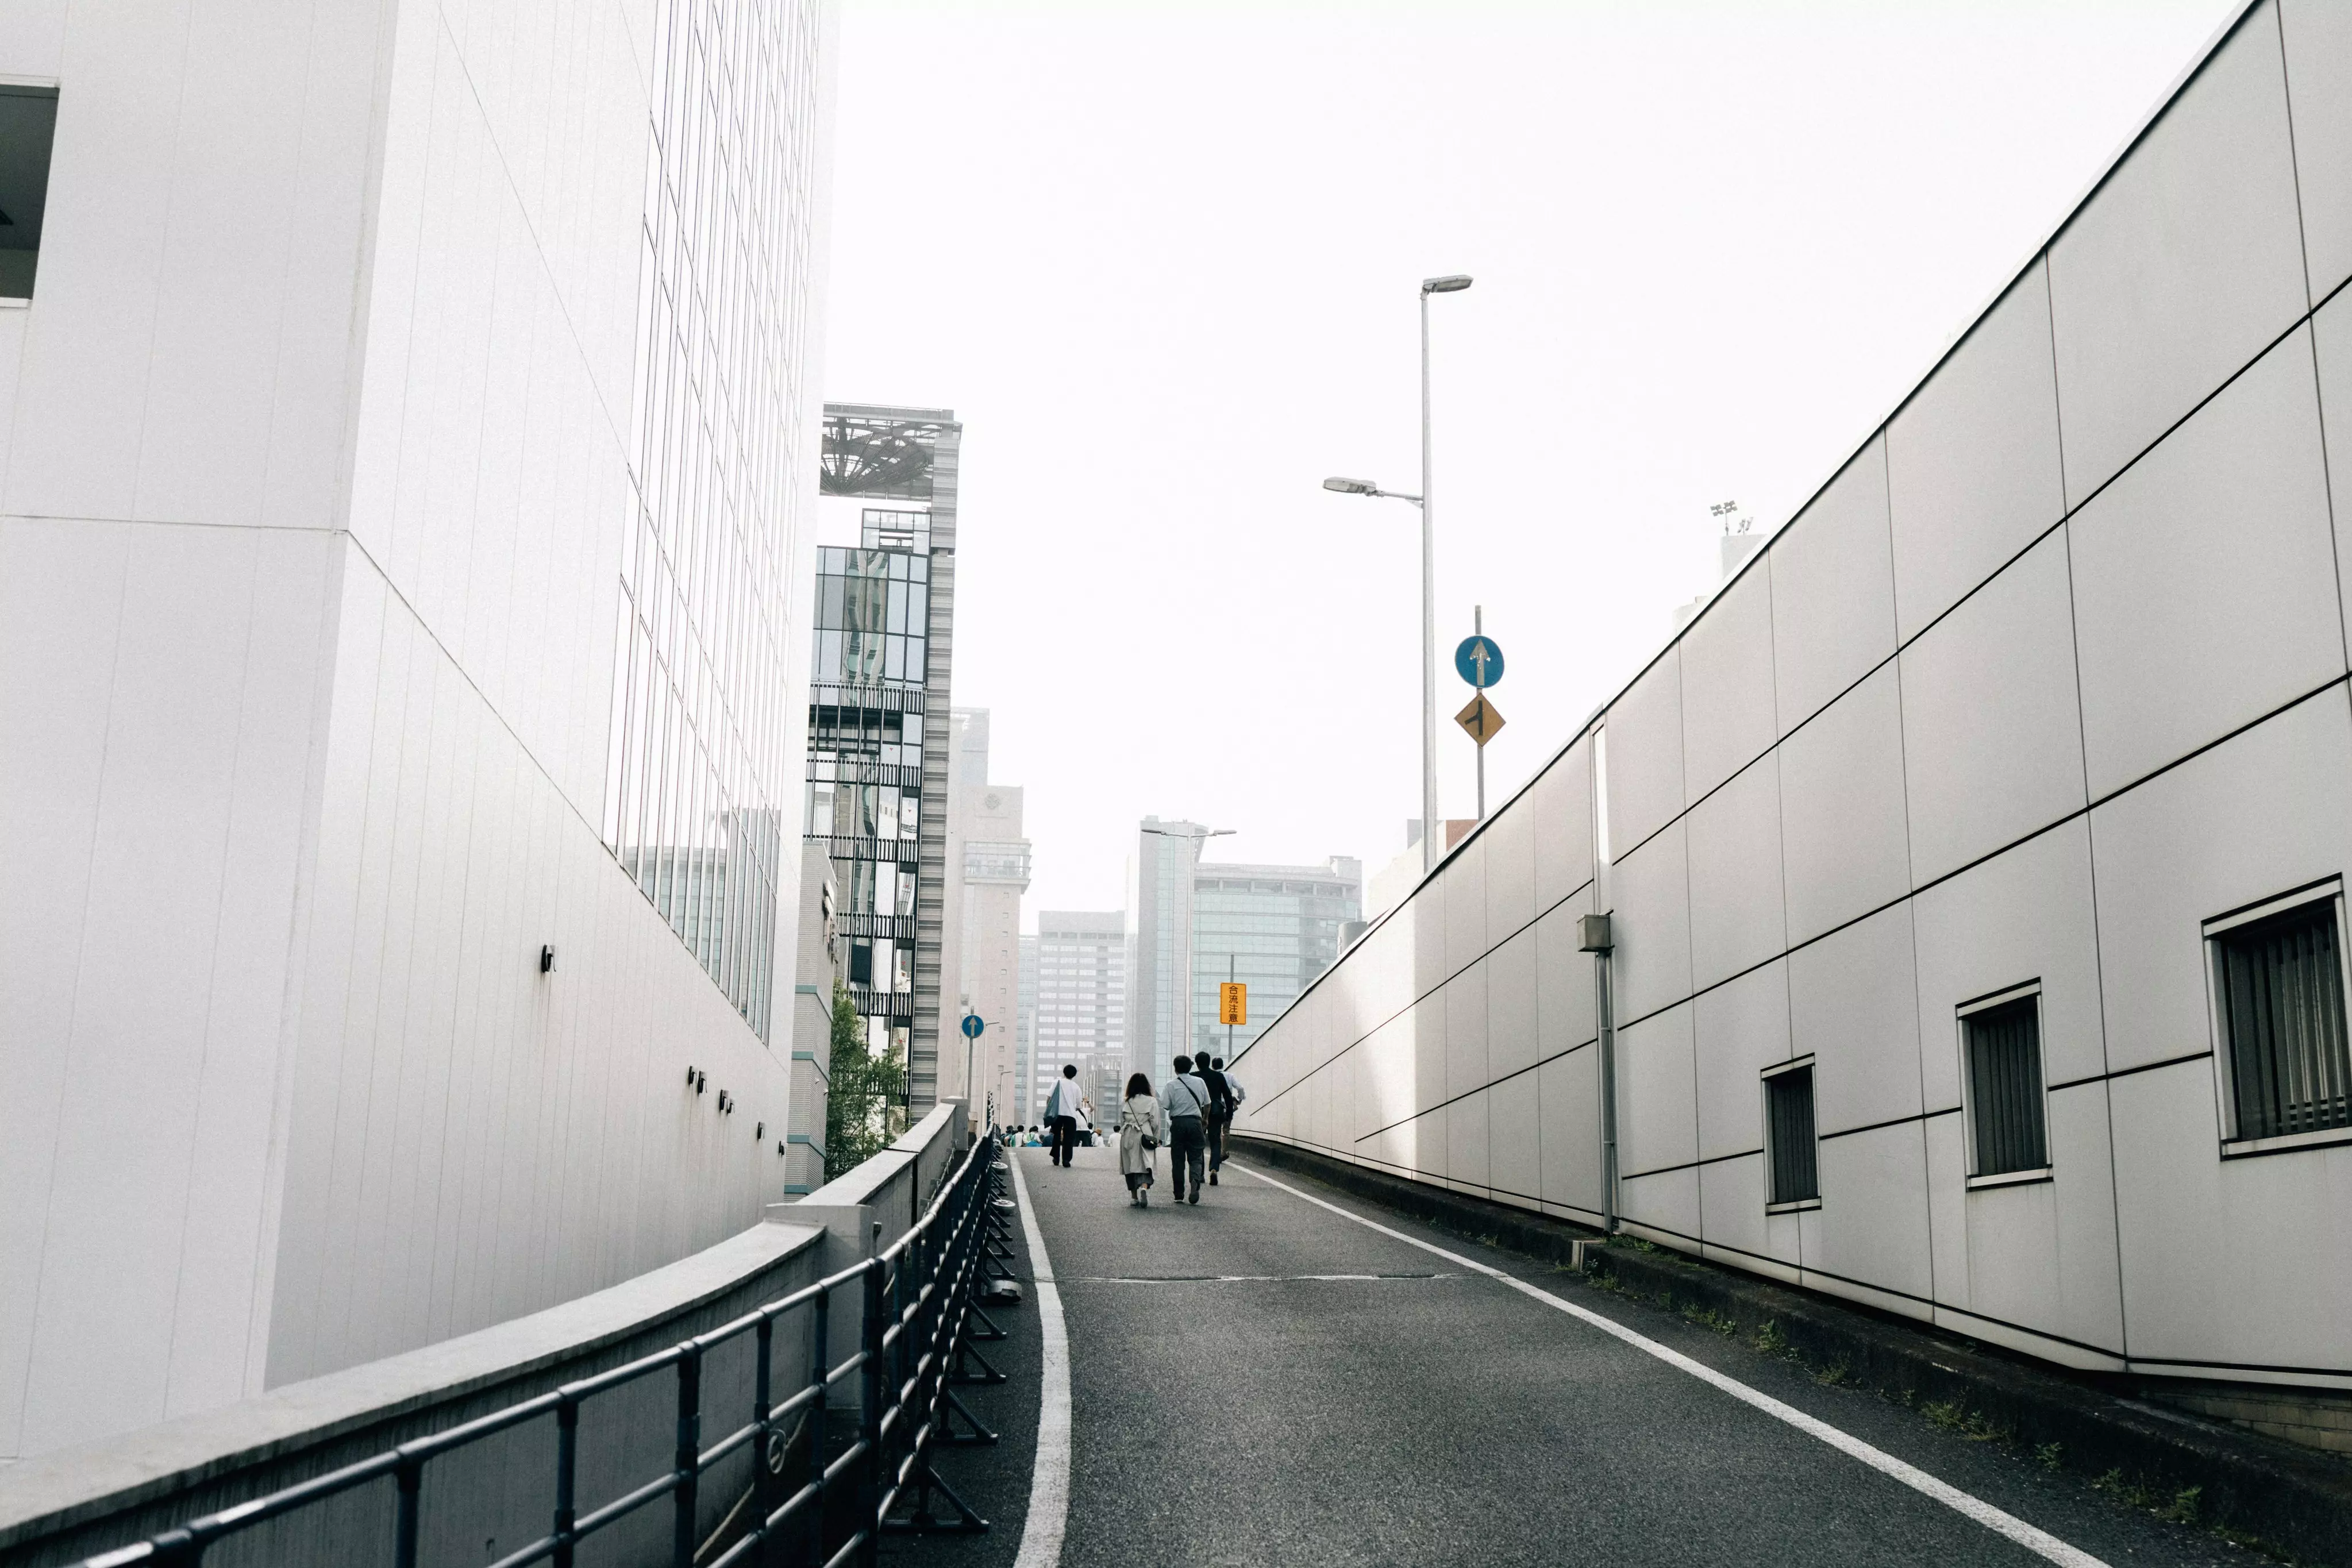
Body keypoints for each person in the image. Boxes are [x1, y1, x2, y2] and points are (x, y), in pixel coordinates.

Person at [1158, 1054, 1213, 1204]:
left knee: (1178, 1160)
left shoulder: (1171, 1085)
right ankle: (1195, 1181)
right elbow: (1207, 1103)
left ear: (1175, 1069)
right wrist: (1205, 1119)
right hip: (1195, 1122)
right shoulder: (1200, 1082)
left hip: (1178, 1123)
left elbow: (1165, 1105)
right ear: (1190, 1067)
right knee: (1196, 1156)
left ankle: (1179, 1194)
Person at [1118, 1072, 1163, 1207]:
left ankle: (1134, 1197)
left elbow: (1122, 1121)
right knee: (1145, 1163)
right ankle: (1144, 1186)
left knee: (1130, 1164)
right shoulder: (1152, 1101)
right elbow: (1155, 1122)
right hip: (1144, 1133)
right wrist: (1155, 1138)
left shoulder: (1126, 1101)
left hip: (1128, 1134)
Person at [1199, 1056, 1236, 1183]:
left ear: (1197, 1064)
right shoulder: (1218, 1077)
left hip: (1199, 1112)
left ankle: (1200, 1173)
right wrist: (1230, 1114)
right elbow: (1227, 1096)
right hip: (1216, 1112)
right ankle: (1214, 1169)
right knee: (1215, 1141)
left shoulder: (1194, 1077)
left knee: (1199, 1143)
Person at [1045, 1064, 1085, 1168]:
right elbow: (1079, 1106)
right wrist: (1071, 1108)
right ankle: (1066, 1160)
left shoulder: (1056, 1082)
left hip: (1057, 1114)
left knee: (1056, 1136)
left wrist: (1049, 1109)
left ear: (1064, 1072)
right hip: (1071, 1116)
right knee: (1069, 1138)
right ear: (1074, 1075)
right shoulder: (1077, 1087)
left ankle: (1056, 1158)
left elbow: (1049, 1098)